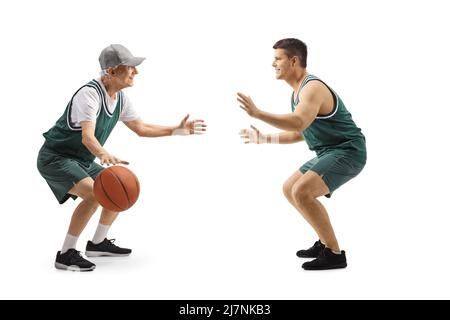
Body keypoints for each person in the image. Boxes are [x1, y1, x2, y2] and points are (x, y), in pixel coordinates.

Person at [37, 44, 207, 271]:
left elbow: (142, 128)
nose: (136, 72)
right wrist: (104, 154)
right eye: (131, 67)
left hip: (81, 160)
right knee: (95, 194)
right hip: (55, 157)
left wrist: (175, 130)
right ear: (112, 70)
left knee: (117, 185)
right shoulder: (88, 94)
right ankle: (66, 253)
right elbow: (88, 137)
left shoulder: (120, 99)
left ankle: (98, 243)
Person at [238, 38, 366, 270]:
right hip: (329, 151)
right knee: (289, 188)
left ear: (294, 60)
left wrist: (257, 113)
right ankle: (324, 242)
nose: (273, 63)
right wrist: (265, 138)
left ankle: (335, 254)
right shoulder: (297, 93)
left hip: (348, 151)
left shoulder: (312, 88)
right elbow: (300, 131)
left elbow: (298, 120)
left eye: (278, 58)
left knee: (303, 191)